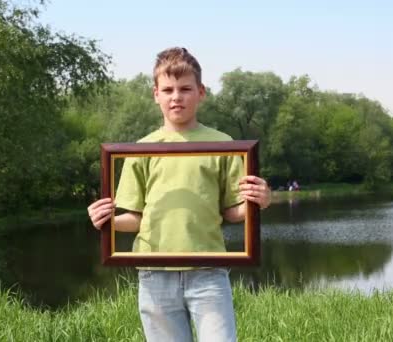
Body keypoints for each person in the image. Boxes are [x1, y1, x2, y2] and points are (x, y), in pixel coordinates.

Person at [87, 47, 271, 342]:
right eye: (168, 89)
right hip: (154, 273)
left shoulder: (223, 144)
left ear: (201, 92)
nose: (176, 96)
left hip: (209, 271)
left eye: (185, 89)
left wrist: (259, 202)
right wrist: (105, 220)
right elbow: (134, 218)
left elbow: (232, 212)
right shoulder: (141, 147)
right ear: (155, 94)